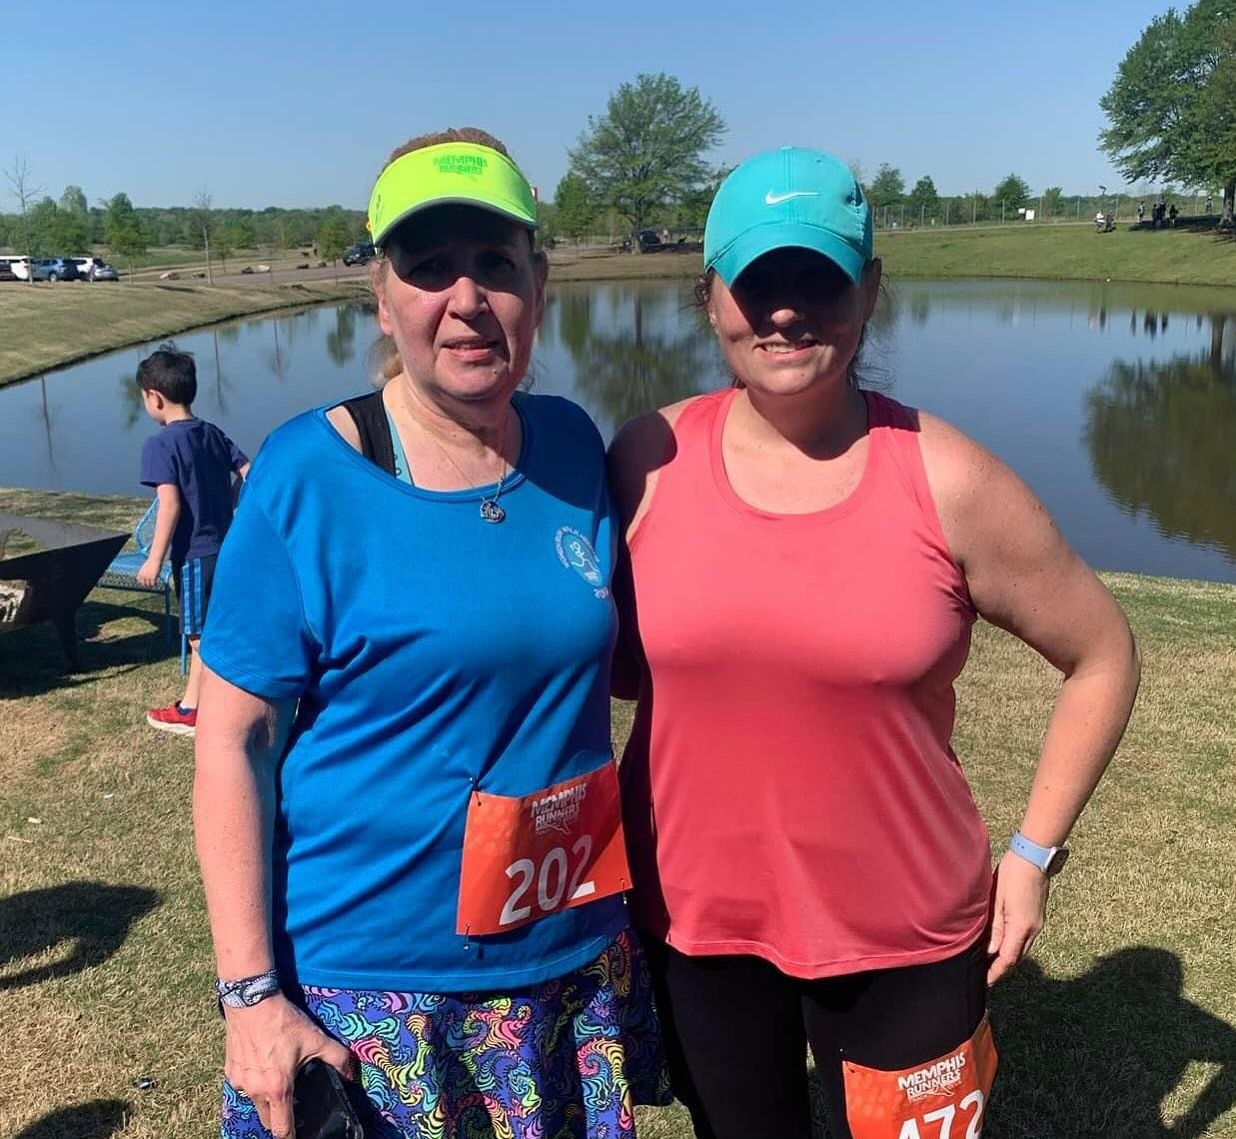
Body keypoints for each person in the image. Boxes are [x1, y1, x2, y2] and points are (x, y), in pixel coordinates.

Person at [608, 147, 1140, 1139]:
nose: (786, 310)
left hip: (907, 936)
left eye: (820, 277)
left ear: (871, 291)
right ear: (708, 296)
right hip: (694, 928)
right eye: (758, 282)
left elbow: (1103, 655)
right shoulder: (646, 457)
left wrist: (1031, 856)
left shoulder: (950, 480)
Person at [194, 128, 667, 1139]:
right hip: (373, 988)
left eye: (495, 264)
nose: (466, 298)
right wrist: (249, 998)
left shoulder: (577, 448)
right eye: (429, 266)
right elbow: (231, 740)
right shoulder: (310, 476)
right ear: (382, 295)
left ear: (538, 286)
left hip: (566, 959)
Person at [135, 345, 248, 735]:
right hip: (227, 548)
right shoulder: (212, 433)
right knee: (214, 628)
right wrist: (229, 506)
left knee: (202, 637)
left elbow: (169, 505)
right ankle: (193, 706)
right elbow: (251, 472)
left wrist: (154, 558)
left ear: (155, 397)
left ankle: (198, 711)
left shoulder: (160, 444)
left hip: (195, 556)